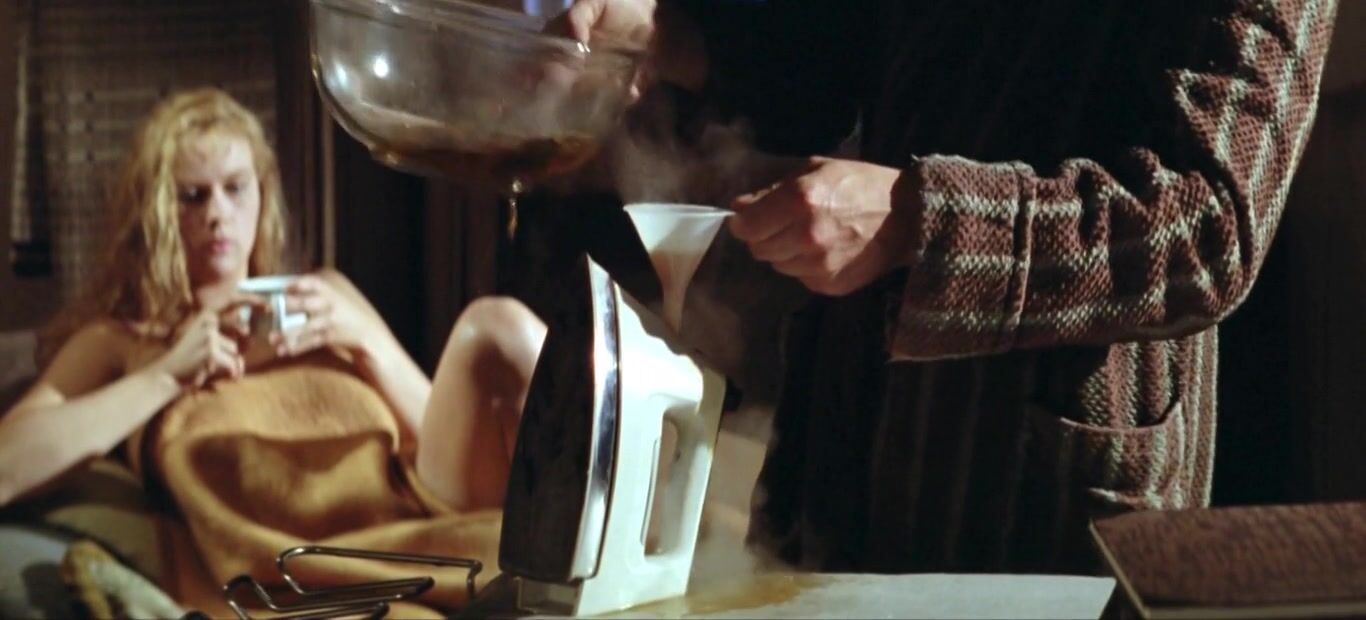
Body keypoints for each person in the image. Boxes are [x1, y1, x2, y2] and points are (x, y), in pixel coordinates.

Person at [553, 0, 1339, 573]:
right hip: (835, 466)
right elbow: (838, 65)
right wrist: (666, 37)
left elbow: (1206, 231)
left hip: (1036, 510)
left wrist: (915, 222)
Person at [0, 88, 545, 612]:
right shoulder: (125, 341)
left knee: (496, 327)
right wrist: (165, 376)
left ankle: (584, 539)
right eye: (193, 196)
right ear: (155, 210)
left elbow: (445, 439)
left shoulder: (324, 295)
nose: (218, 214)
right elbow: (7, 466)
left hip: (420, 516)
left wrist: (369, 343)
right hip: (306, 569)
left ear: (262, 194)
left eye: (236, 188)